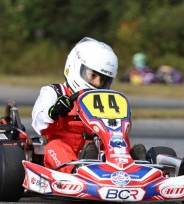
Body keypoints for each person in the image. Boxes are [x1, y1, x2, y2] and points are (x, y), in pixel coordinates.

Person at [32, 37, 145, 173]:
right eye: (93, 75)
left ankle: (131, 165)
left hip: (99, 151)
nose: (97, 83)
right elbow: (39, 124)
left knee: (118, 139)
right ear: (75, 66)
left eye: (103, 79)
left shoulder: (107, 100)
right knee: (55, 146)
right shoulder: (55, 92)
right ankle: (76, 171)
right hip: (65, 154)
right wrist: (54, 112)